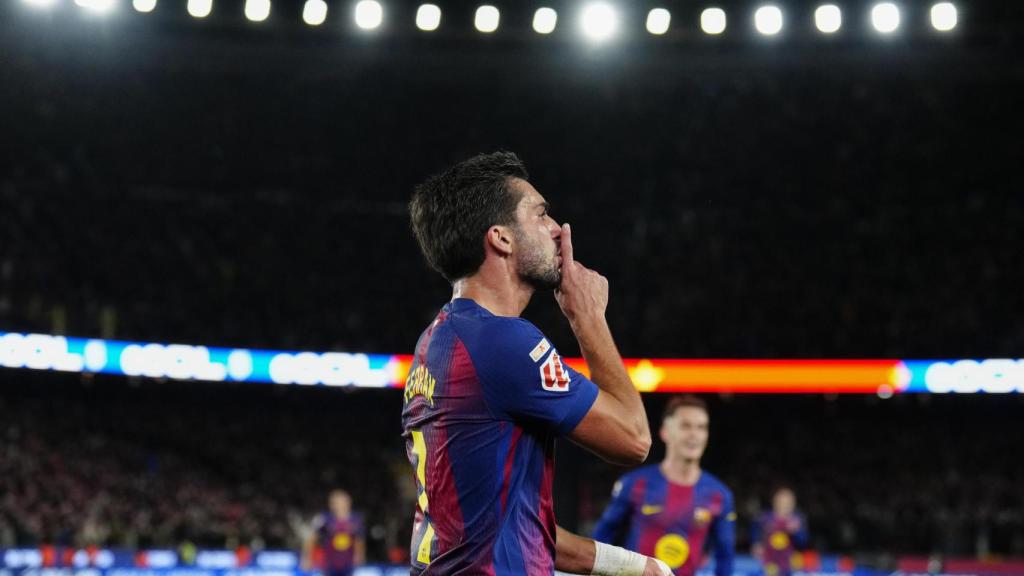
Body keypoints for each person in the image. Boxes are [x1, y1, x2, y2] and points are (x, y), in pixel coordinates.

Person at [402, 151, 671, 576]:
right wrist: (588, 318)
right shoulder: (502, 341)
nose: (558, 230)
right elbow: (633, 438)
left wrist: (634, 566)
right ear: (501, 238)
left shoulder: (436, 341)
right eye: (541, 214)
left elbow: (507, 526)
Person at [592, 396, 735, 576]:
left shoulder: (719, 495)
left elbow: (725, 557)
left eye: (701, 427)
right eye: (685, 426)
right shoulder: (635, 483)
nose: (694, 434)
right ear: (665, 432)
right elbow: (601, 539)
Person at [301, 490, 365, 576]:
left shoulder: (356, 520)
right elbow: (311, 539)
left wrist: (359, 555)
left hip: (348, 563)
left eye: (343, 502)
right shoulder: (324, 518)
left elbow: (359, 539)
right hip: (329, 563)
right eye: (337, 502)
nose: (340, 505)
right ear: (332, 505)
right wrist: (307, 558)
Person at [751, 487, 808, 576]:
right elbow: (754, 532)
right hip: (769, 563)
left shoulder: (797, 519)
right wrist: (756, 544)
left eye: (788, 502)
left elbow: (803, 542)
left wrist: (796, 532)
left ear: (793, 503)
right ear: (775, 501)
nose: (785, 505)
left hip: (790, 565)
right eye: (782, 501)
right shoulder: (765, 517)